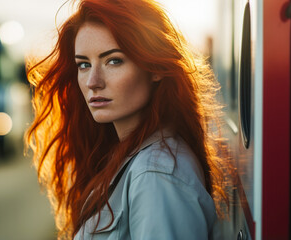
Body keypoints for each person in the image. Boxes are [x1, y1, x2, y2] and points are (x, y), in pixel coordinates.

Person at [25, 0, 228, 239]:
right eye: (84, 64)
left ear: (155, 67)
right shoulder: (129, 155)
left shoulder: (156, 174)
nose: (93, 81)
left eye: (113, 61)